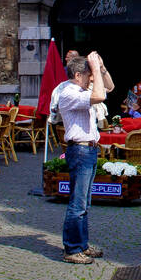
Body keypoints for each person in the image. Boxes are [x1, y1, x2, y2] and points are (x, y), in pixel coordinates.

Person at [54, 52, 108, 265]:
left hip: (89, 150)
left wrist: (100, 68)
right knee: (77, 203)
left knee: (84, 202)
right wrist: (95, 68)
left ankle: (82, 245)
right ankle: (72, 248)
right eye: (88, 75)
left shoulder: (80, 89)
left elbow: (108, 87)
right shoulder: (69, 93)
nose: (91, 79)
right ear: (78, 75)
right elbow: (100, 96)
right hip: (80, 151)